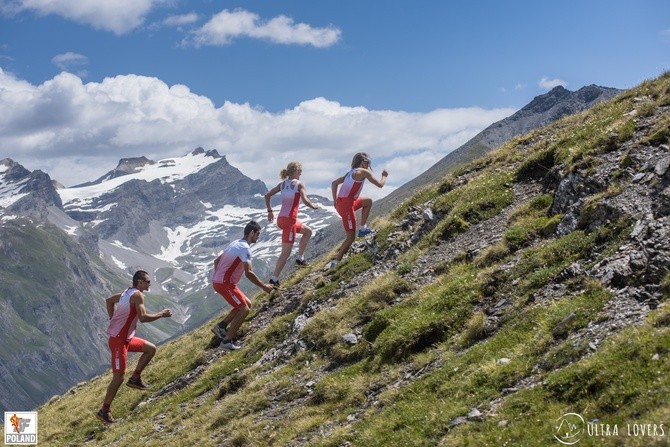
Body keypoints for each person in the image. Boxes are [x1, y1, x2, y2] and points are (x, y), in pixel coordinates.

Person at [96, 270, 172, 425]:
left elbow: (109, 300)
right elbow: (143, 318)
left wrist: (113, 317)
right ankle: (104, 411)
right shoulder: (138, 295)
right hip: (118, 341)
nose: (150, 284)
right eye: (148, 281)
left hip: (126, 339)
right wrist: (162, 314)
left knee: (150, 349)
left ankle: (135, 378)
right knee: (118, 377)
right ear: (140, 282)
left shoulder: (126, 293)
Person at [211, 220, 275, 350]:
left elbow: (216, 260)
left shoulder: (235, 243)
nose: (258, 236)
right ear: (252, 233)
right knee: (244, 309)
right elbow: (249, 273)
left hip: (221, 281)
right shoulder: (245, 248)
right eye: (257, 234)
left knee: (247, 303)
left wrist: (218, 275)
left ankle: (221, 327)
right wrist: (264, 286)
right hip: (225, 283)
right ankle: (227, 341)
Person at [329, 152, 389, 269]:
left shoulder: (349, 173)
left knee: (368, 201)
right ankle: (335, 262)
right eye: (367, 162)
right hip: (347, 206)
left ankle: (363, 228)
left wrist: (335, 201)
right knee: (350, 238)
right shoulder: (363, 172)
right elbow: (380, 185)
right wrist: (384, 176)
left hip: (344, 203)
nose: (368, 164)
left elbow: (334, 183)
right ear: (362, 162)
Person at [264, 161, 319, 287]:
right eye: (300, 171)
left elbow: (267, 195)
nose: (301, 173)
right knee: (286, 253)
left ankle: (300, 258)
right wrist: (313, 206)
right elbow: (305, 200)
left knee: (307, 231)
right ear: (295, 171)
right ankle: (274, 279)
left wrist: (270, 211)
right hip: (289, 221)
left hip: (282, 219)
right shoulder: (299, 184)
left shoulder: (282, 184)